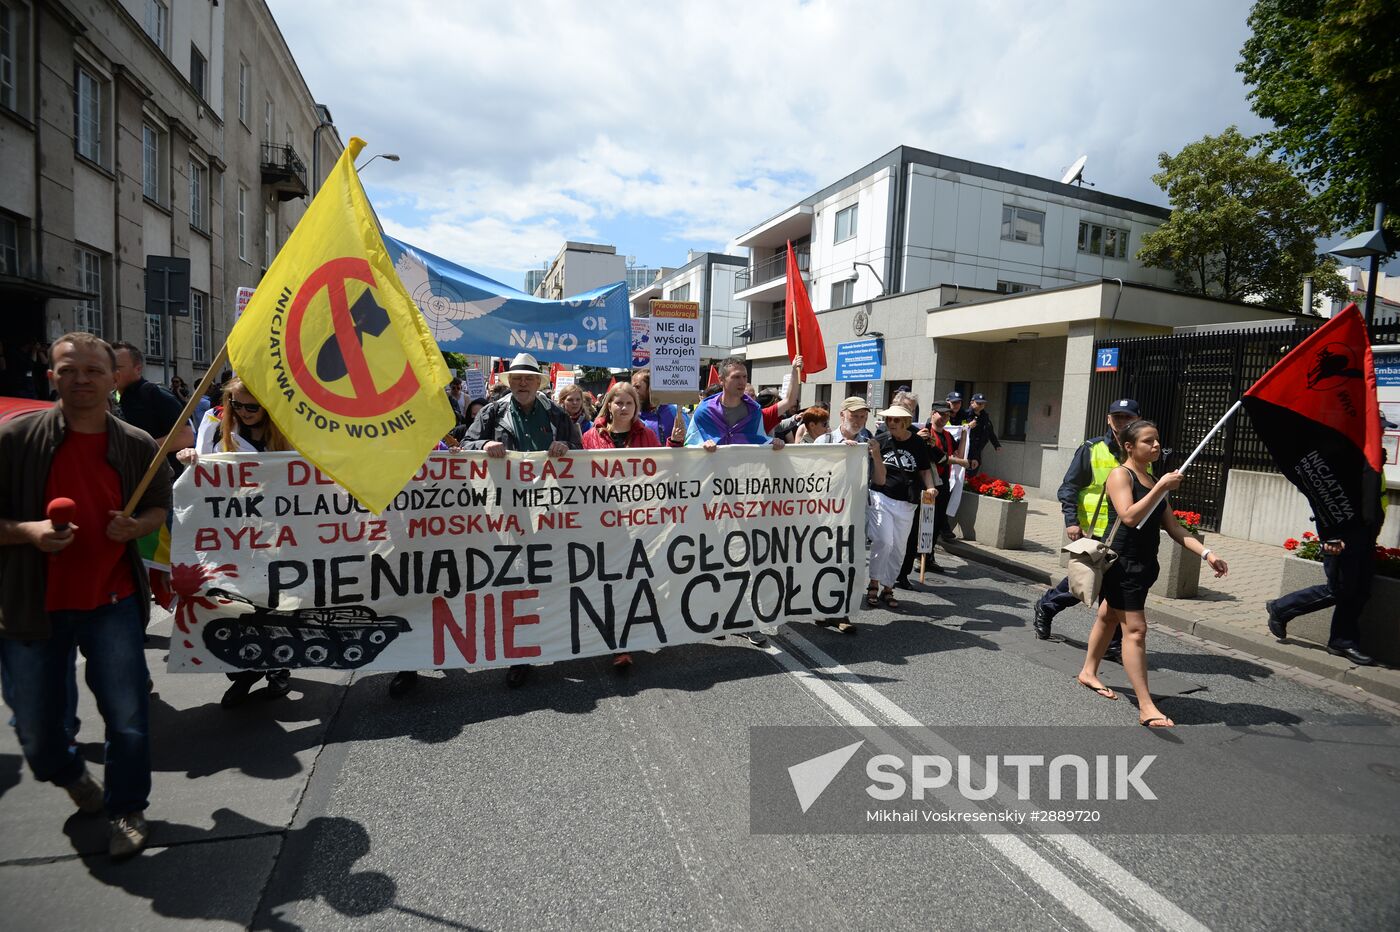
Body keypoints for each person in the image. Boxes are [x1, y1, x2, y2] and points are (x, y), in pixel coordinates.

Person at [0, 332, 173, 859]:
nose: (82, 379)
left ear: (113, 378)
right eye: (69, 370)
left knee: (126, 715)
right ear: (52, 376)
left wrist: (136, 525)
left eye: (94, 370)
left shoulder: (136, 443)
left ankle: (127, 808)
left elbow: (160, 506)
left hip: (112, 603)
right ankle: (69, 773)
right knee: (34, 727)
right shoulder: (15, 440)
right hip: (32, 607)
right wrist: (29, 533)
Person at [415, 352, 580, 694]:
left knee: (543, 578)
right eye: (517, 378)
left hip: (546, 511)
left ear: (538, 383)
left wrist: (566, 447)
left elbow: (578, 452)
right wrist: (484, 443)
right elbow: (467, 445)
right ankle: (518, 653)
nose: (522, 383)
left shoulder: (556, 414)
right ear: (509, 382)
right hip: (502, 511)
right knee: (511, 582)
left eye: (529, 378)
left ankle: (538, 646)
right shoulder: (493, 412)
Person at [1075, 419, 1228, 727]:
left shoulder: (1152, 477)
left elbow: (1172, 526)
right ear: (1129, 446)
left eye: (1157, 440)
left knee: (1107, 616)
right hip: (1123, 563)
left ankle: (1088, 672)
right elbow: (1129, 517)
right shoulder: (1121, 475)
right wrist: (1160, 487)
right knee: (1135, 631)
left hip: (1145, 563)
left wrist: (1207, 553)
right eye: (1148, 441)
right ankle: (1146, 706)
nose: (1156, 445)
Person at [177, 377, 295, 706]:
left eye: (251, 406)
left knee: (273, 603)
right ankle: (242, 672)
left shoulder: (286, 435)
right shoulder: (214, 431)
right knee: (231, 604)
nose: (243, 412)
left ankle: (278, 668)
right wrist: (190, 458)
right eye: (236, 405)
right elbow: (202, 473)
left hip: (276, 535)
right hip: (229, 536)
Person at [1264, 413, 1391, 666]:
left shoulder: (1370, 455)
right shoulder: (1342, 454)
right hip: (1342, 533)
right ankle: (1281, 608)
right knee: (1340, 588)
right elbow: (1324, 495)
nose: (1384, 433)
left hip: (1365, 532)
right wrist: (1331, 535)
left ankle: (1342, 641)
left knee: (1360, 590)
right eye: (1380, 428)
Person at [685, 356, 786, 646]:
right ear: (723, 380)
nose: (742, 382)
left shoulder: (752, 409)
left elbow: (757, 439)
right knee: (715, 556)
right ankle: (717, 615)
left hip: (745, 493)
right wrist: (699, 444)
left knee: (744, 556)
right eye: (736, 377)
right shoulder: (705, 410)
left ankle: (747, 620)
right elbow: (693, 439)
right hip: (712, 495)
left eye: (744, 377)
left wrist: (773, 443)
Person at [1033, 399, 1145, 657]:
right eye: (1117, 417)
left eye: (1128, 418)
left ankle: (1113, 643)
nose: (1122, 422)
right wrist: (1071, 521)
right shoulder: (1092, 448)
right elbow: (1068, 487)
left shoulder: (1140, 452)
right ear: (1108, 420)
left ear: (1138, 419)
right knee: (1084, 582)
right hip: (1095, 530)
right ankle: (1047, 606)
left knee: (1114, 587)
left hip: (1126, 532)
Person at [582, 382, 681, 669]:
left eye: (629, 403)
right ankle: (617, 642)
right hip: (605, 523)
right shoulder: (591, 437)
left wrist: (674, 445)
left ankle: (627, 639)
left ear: (636, 407)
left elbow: (662, 469)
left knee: (635, 581)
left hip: (640, 522)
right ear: (609, 405)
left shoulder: (647, 434)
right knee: (610, 583)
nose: (623, 408)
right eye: (618, 403)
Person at [814, 398, 885, 634]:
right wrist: (837, 454)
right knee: (822, 560)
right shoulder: (825, 440)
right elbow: (811, 475)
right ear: (842, 414)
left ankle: (840, 611)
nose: (859, 421)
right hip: (827, 512)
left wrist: (876, 455)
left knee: (848, 562)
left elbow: (880, 481)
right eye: (854, 415)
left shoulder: (868, 443)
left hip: (855, 512)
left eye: (863, 416)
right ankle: (821, 606)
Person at [866, 405, 935, 610]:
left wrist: (931, 488)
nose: (892, 423)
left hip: (907, 502)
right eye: (889, 420)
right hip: (881, 496)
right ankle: (873, 583)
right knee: (884, 541)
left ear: (905, 422)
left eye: (896, 420)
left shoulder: (917, 443)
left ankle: (888, 587)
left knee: (898, 548)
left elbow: (924, 470)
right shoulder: (881, 441)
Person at [899, 401, 970, 582]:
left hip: (942, 483)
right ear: (933, 413)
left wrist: (964, 435)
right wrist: (958, 462)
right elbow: (939, 458)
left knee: (937, 521)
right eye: (942, 414)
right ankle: (917, 555)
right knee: (923, 521)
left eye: (947, 415)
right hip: (925, 483)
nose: (945, 418)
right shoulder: (922, 432)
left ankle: (928, 556)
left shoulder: (947, 435)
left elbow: (959, 455)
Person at [111, 342, 193, 471]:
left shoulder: (154, 393)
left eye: (117, 367)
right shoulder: (111, 397)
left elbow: (185, 436)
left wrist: (141, 449)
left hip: (157, 477)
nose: (111, 372)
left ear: (138, 368)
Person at [630, 369, 677, 441]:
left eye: (637, 387)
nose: (633, 391)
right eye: (632, 387)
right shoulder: (631, 414)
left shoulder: (673, 412)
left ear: (651, 388)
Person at [964, 392, 1001, 471]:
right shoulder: (965, 415)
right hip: (966, 449)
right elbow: (960, 429)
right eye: (978, 403)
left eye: (983, 403)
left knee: (973, 472)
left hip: (978, 449)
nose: (981, 405)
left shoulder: (985, 416)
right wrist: (968, 426)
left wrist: (996, 444)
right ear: (972, 403)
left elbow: (990, 431)